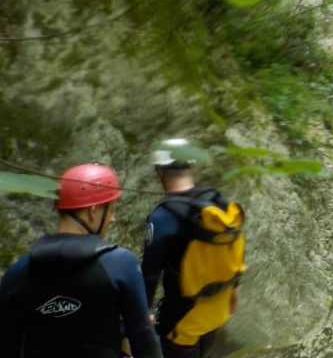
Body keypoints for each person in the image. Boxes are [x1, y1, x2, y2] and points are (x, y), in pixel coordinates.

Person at [0, 162, 163, 358]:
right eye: (110, 210)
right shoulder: (120, 264)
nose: (113, 219)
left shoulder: (17, 273)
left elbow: (6, 345)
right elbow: (143, 337)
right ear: (93, 211)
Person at [142, 138, 243, 358]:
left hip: (181, 324)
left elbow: (149, 277)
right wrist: (233, 291)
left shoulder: (161, 218)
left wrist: (140, 322)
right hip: (217, 313)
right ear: (191, 166)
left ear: (159, 171)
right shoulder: (220, 203)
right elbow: (234, 251)